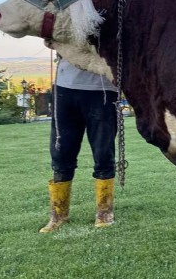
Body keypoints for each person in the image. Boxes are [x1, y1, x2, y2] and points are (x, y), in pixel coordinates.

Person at [40, 57, 118, 232]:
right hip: (64, 87)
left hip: (103, 89)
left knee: (103, 152)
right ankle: (58, 214)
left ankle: (104, 213)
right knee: (61, 151)